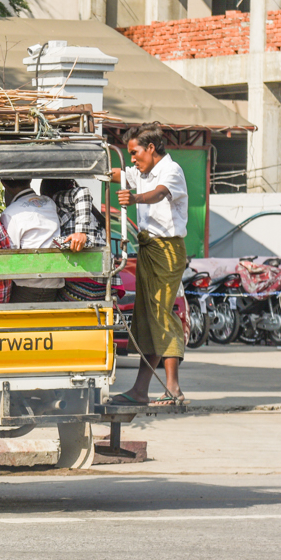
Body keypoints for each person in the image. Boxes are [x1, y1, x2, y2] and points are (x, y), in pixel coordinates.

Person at [111, 125, 189, 405]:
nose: (132, 158)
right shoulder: (140, 172)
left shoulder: (171, 170)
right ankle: (141, 390)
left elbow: (158, 193)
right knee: (146, 318)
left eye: (135, 153)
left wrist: (135, 198)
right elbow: (119, 174)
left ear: (151, 149)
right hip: (147, 248)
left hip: (166, 250)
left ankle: (173, 388)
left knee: (161, 314)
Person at [41, 177, 109, 301]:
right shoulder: (85, 212)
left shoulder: (56, 198)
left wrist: (81, 232)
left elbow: (83, 192)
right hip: (102, 280)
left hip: (86, 278)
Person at [0, 179, 64, 303]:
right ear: (30, 179)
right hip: (54, 282)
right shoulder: (49, 203)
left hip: (27, 285)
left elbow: (10, 253)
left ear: (3, 183)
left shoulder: (10, 213)